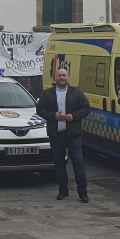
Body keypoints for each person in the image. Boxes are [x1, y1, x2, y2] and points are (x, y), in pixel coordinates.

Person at [37, 68, 91, 202]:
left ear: (68, 77)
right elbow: (40, 109)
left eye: (64, 75)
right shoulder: (48, 93)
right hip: (56, 134)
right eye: (59, 75)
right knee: (59, 164)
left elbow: (86, 108)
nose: (62, 78)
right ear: (55, 78)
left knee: (78, 163)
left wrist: (73, 116)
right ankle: (63, 191)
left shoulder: (76, 92)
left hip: (73, 134)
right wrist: (53, 116)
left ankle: (83, 194)